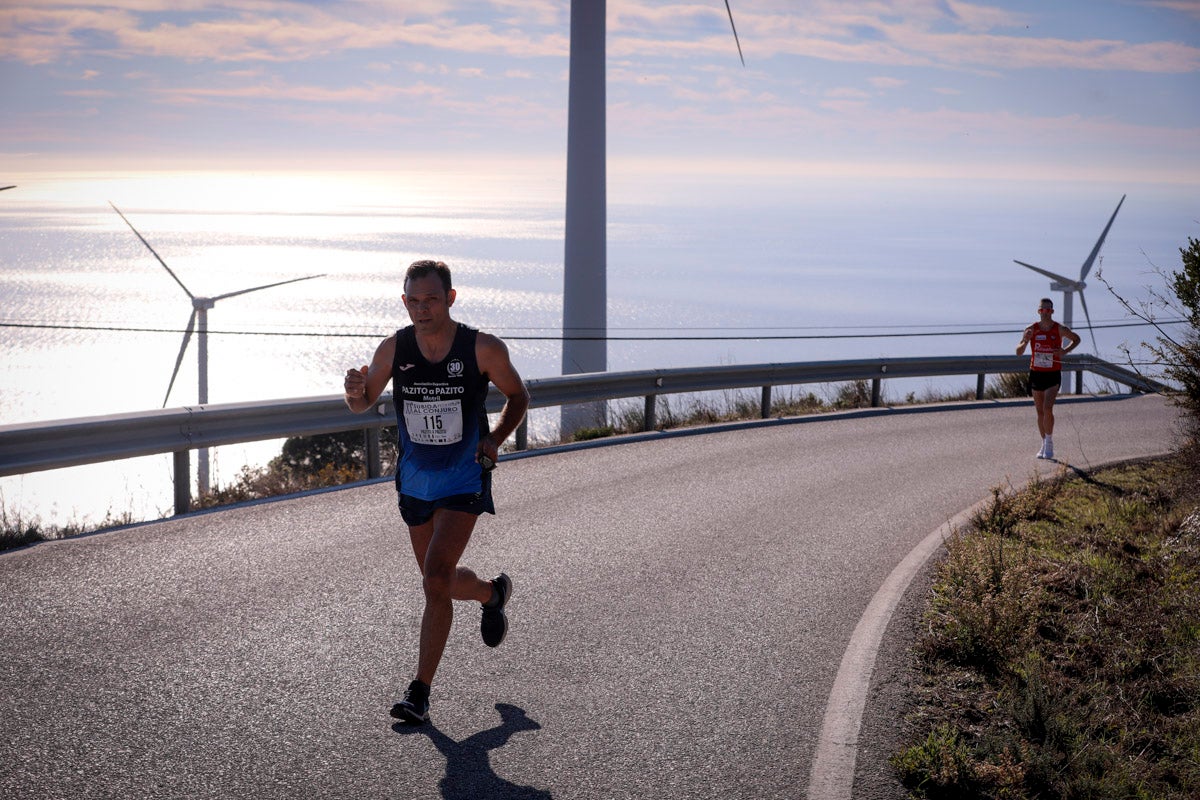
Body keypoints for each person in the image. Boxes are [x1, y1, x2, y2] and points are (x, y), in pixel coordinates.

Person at [344, 259, 530, 724]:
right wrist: (352, 392)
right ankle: (491, 594)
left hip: (465, 476)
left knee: (434, 575)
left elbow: (518, 396)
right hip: (416, 480)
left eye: (431, 299)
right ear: (403, 301)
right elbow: (364, 402)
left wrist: (494, 439)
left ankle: (419, 692)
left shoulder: (481, 348)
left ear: (450, 298)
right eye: (414, 300)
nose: (422, 309)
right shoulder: (395, 348)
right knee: (438, 583)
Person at [1015, 297, 1081, 460]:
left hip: (1052, 373)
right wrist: (1026, 341)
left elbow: (1076, 339)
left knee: (1047, 408)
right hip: (1036, 373)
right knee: (1039, 411)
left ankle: (1050, 442)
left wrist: (1064, 351)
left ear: (1052, 311)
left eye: (1049, 310)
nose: (1045, 313)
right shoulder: (1031, 329)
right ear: (1039, 311)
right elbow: (1018, 351)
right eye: (1043, 310)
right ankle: (1043, 442)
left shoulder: (1059, 329)